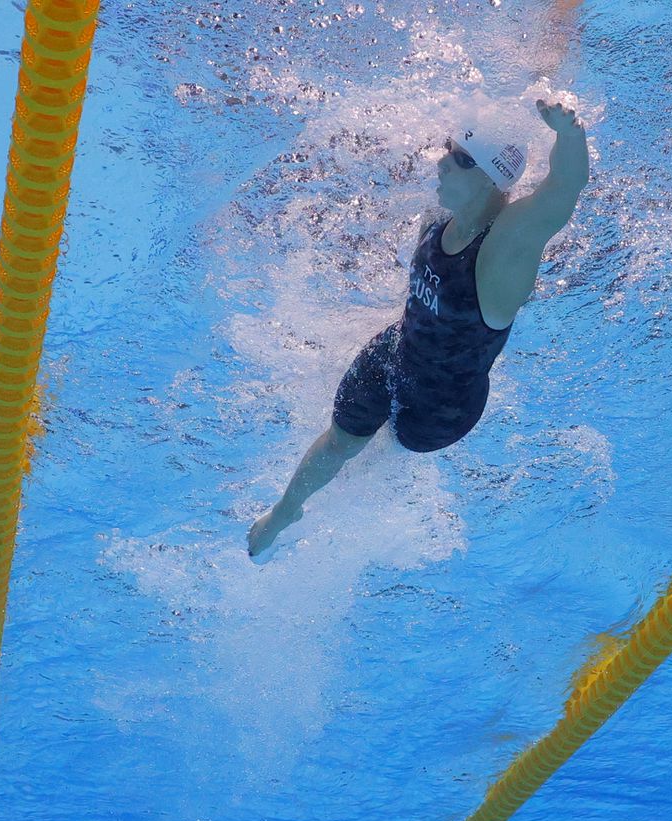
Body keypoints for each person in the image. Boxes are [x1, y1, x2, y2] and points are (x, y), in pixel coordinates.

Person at [247, 98, 591, 558]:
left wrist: (570, 137)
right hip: (397, 349)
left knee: (388, 449)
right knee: (339, 441)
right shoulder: (441, 214)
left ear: (492, 179)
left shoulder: (502, 252)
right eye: (448, 148)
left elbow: (560, 193)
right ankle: (286, 511)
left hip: (440, 408)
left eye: (462, 159)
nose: (442, 162)